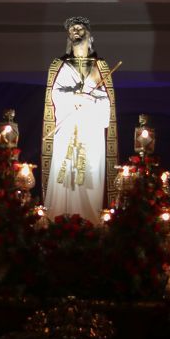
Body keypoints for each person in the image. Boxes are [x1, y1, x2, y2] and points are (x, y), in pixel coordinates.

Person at [41, 17, 118, 223]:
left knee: (90, 178)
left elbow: (106, 104)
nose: (76, 31)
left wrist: (90, 100)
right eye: (72, 29)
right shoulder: (60, 66)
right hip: (66, 129)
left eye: (80, 28)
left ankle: (91, 221)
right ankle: (60, 219)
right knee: (65, 178)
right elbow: (55, 95)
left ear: (90, 36)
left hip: (90, 131)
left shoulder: (99, 66)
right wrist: (74, 97)